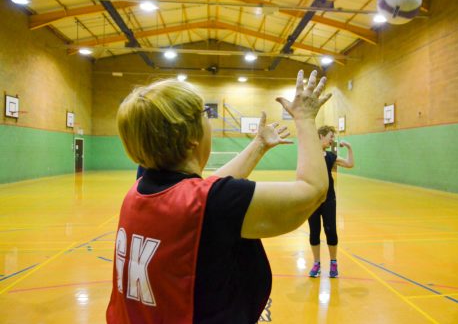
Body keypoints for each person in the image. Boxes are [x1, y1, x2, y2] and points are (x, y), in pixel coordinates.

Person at [106, 69, 332, 323]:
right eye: (205, 114)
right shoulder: (213, 203)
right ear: (192, 138)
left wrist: (258, 145)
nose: (209, 120)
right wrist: (304, 118)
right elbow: (313, 191)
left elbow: (206, 190)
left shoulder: (138, 191)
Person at [308, 125, 354, 279]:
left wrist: (349, 148)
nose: (332, 139)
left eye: (333, 137)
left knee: (331, 231)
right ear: (321, 136)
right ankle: (316, 263)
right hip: (313, 200)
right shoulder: (309, 155)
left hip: (329, 199)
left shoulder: (330, 156)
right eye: (331, 136)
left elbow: (349, 164)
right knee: (314, 232)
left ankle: (333, 263)